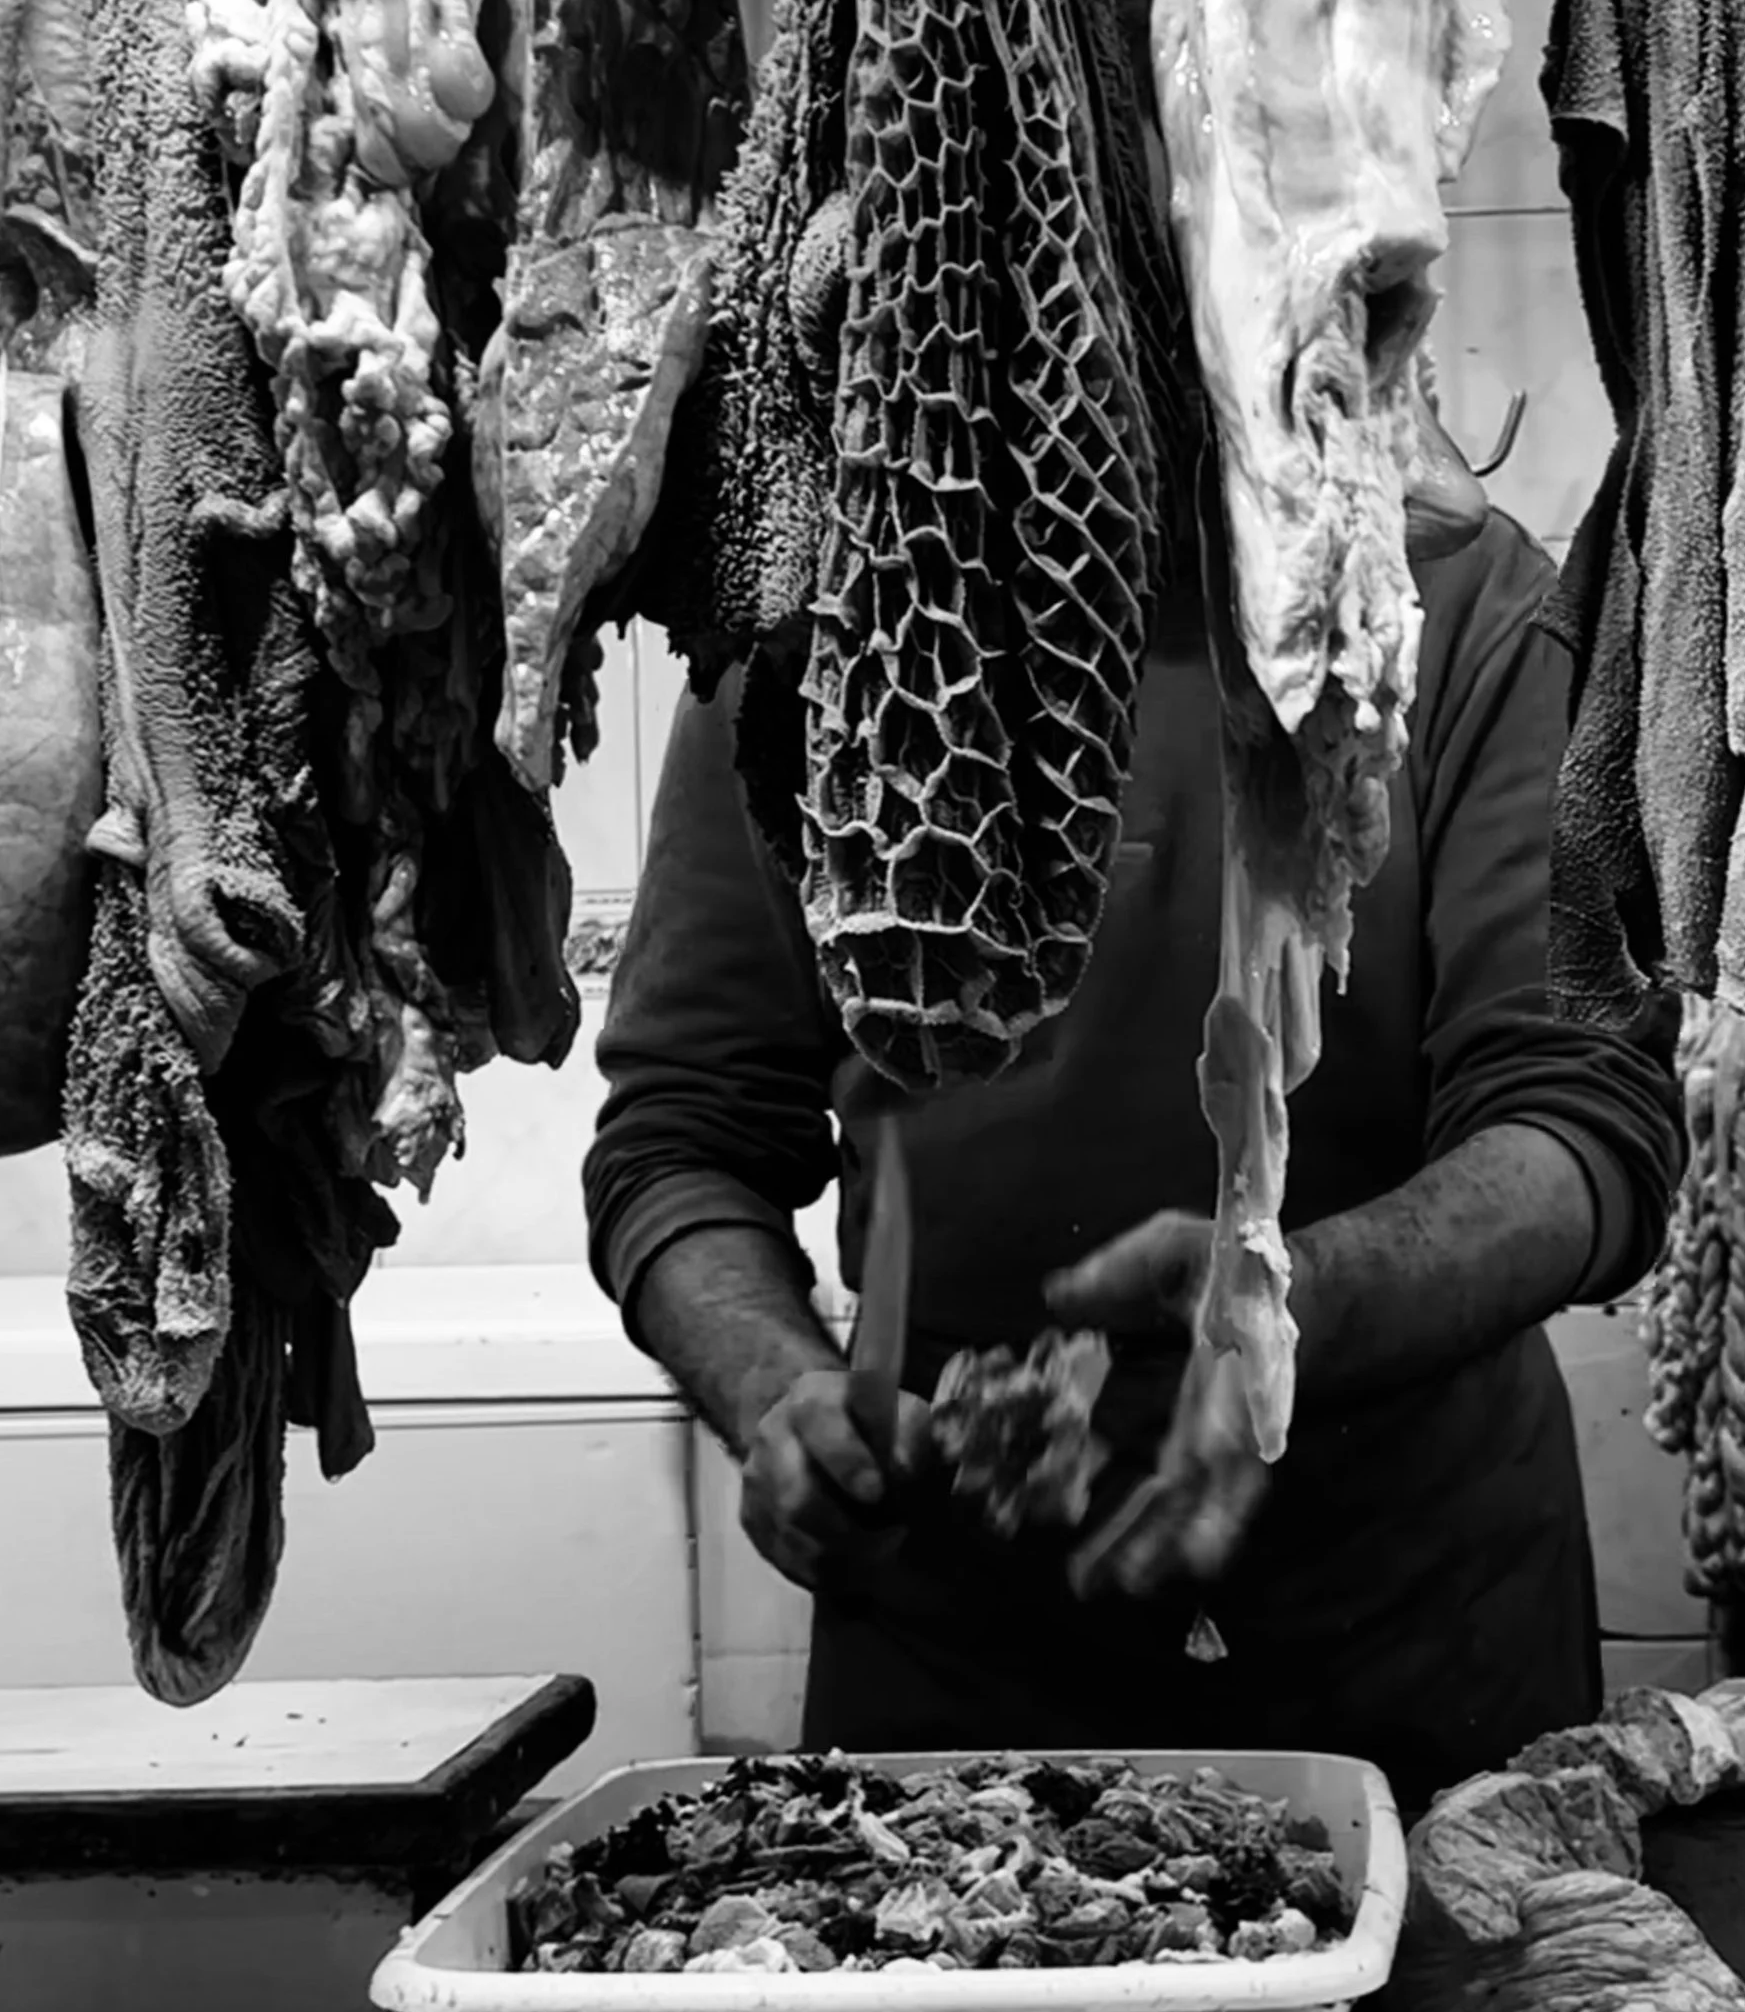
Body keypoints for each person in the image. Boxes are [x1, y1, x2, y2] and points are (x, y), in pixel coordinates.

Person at [586, 526, 1685, 1821]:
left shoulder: (1458, 595)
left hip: (1413, 1653)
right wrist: (780, 1395)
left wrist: (1278, 1308)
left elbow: (1581, 1128)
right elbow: (683, 1137)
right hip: (955, 1671)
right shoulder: (816, 606)